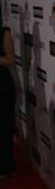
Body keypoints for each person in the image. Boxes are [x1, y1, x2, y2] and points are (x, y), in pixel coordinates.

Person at [0, 13, 16, 179]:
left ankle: (5, 166)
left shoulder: (4, 32)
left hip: (2, 86)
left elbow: (10, 60)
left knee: (3, 126)